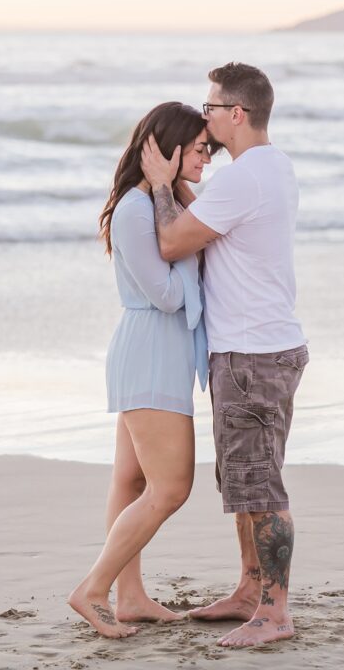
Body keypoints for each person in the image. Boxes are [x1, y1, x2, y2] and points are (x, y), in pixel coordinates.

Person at [141, 62, 309, 649]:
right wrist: (180, 191)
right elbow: (211, 221)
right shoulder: (271, 168)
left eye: (210, 108)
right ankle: (248, 590)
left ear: (236, 114)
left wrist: (161, 185)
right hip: (259, 347)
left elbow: (171, 241)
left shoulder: (244, 179)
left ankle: (274, 612)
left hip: (252, 353)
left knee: (259, 486)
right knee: (243, 479)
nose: (205, 116)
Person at [68, 101, 212, 639]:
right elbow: (170, 296)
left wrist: (171, 195)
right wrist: (177, 222)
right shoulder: (135, 210)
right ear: (168, 151)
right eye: (199, 149)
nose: (206, 158)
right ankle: (94, 587)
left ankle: (130, 597)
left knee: (131, 481)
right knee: (171, 488)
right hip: (151, 350)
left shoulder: (158, 203)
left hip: (157, 351)